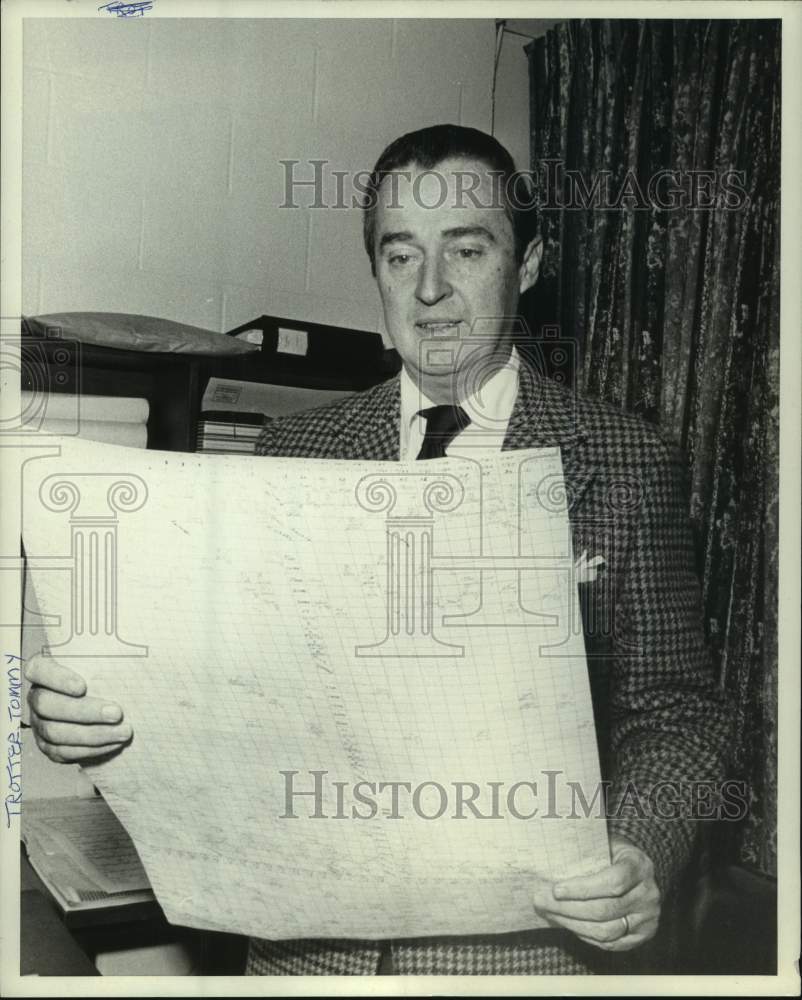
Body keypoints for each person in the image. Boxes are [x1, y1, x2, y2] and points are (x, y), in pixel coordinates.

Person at [26, 124, 732, 976]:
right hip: (306, 961)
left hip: (526, 960)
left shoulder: (624, 461)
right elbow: (213, 693)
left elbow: (682, 716)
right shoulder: (291, 453)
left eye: (466, 250)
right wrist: (87, 715)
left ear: (531, 263)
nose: (431, 290)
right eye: (401, 257)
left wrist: (640, 850)